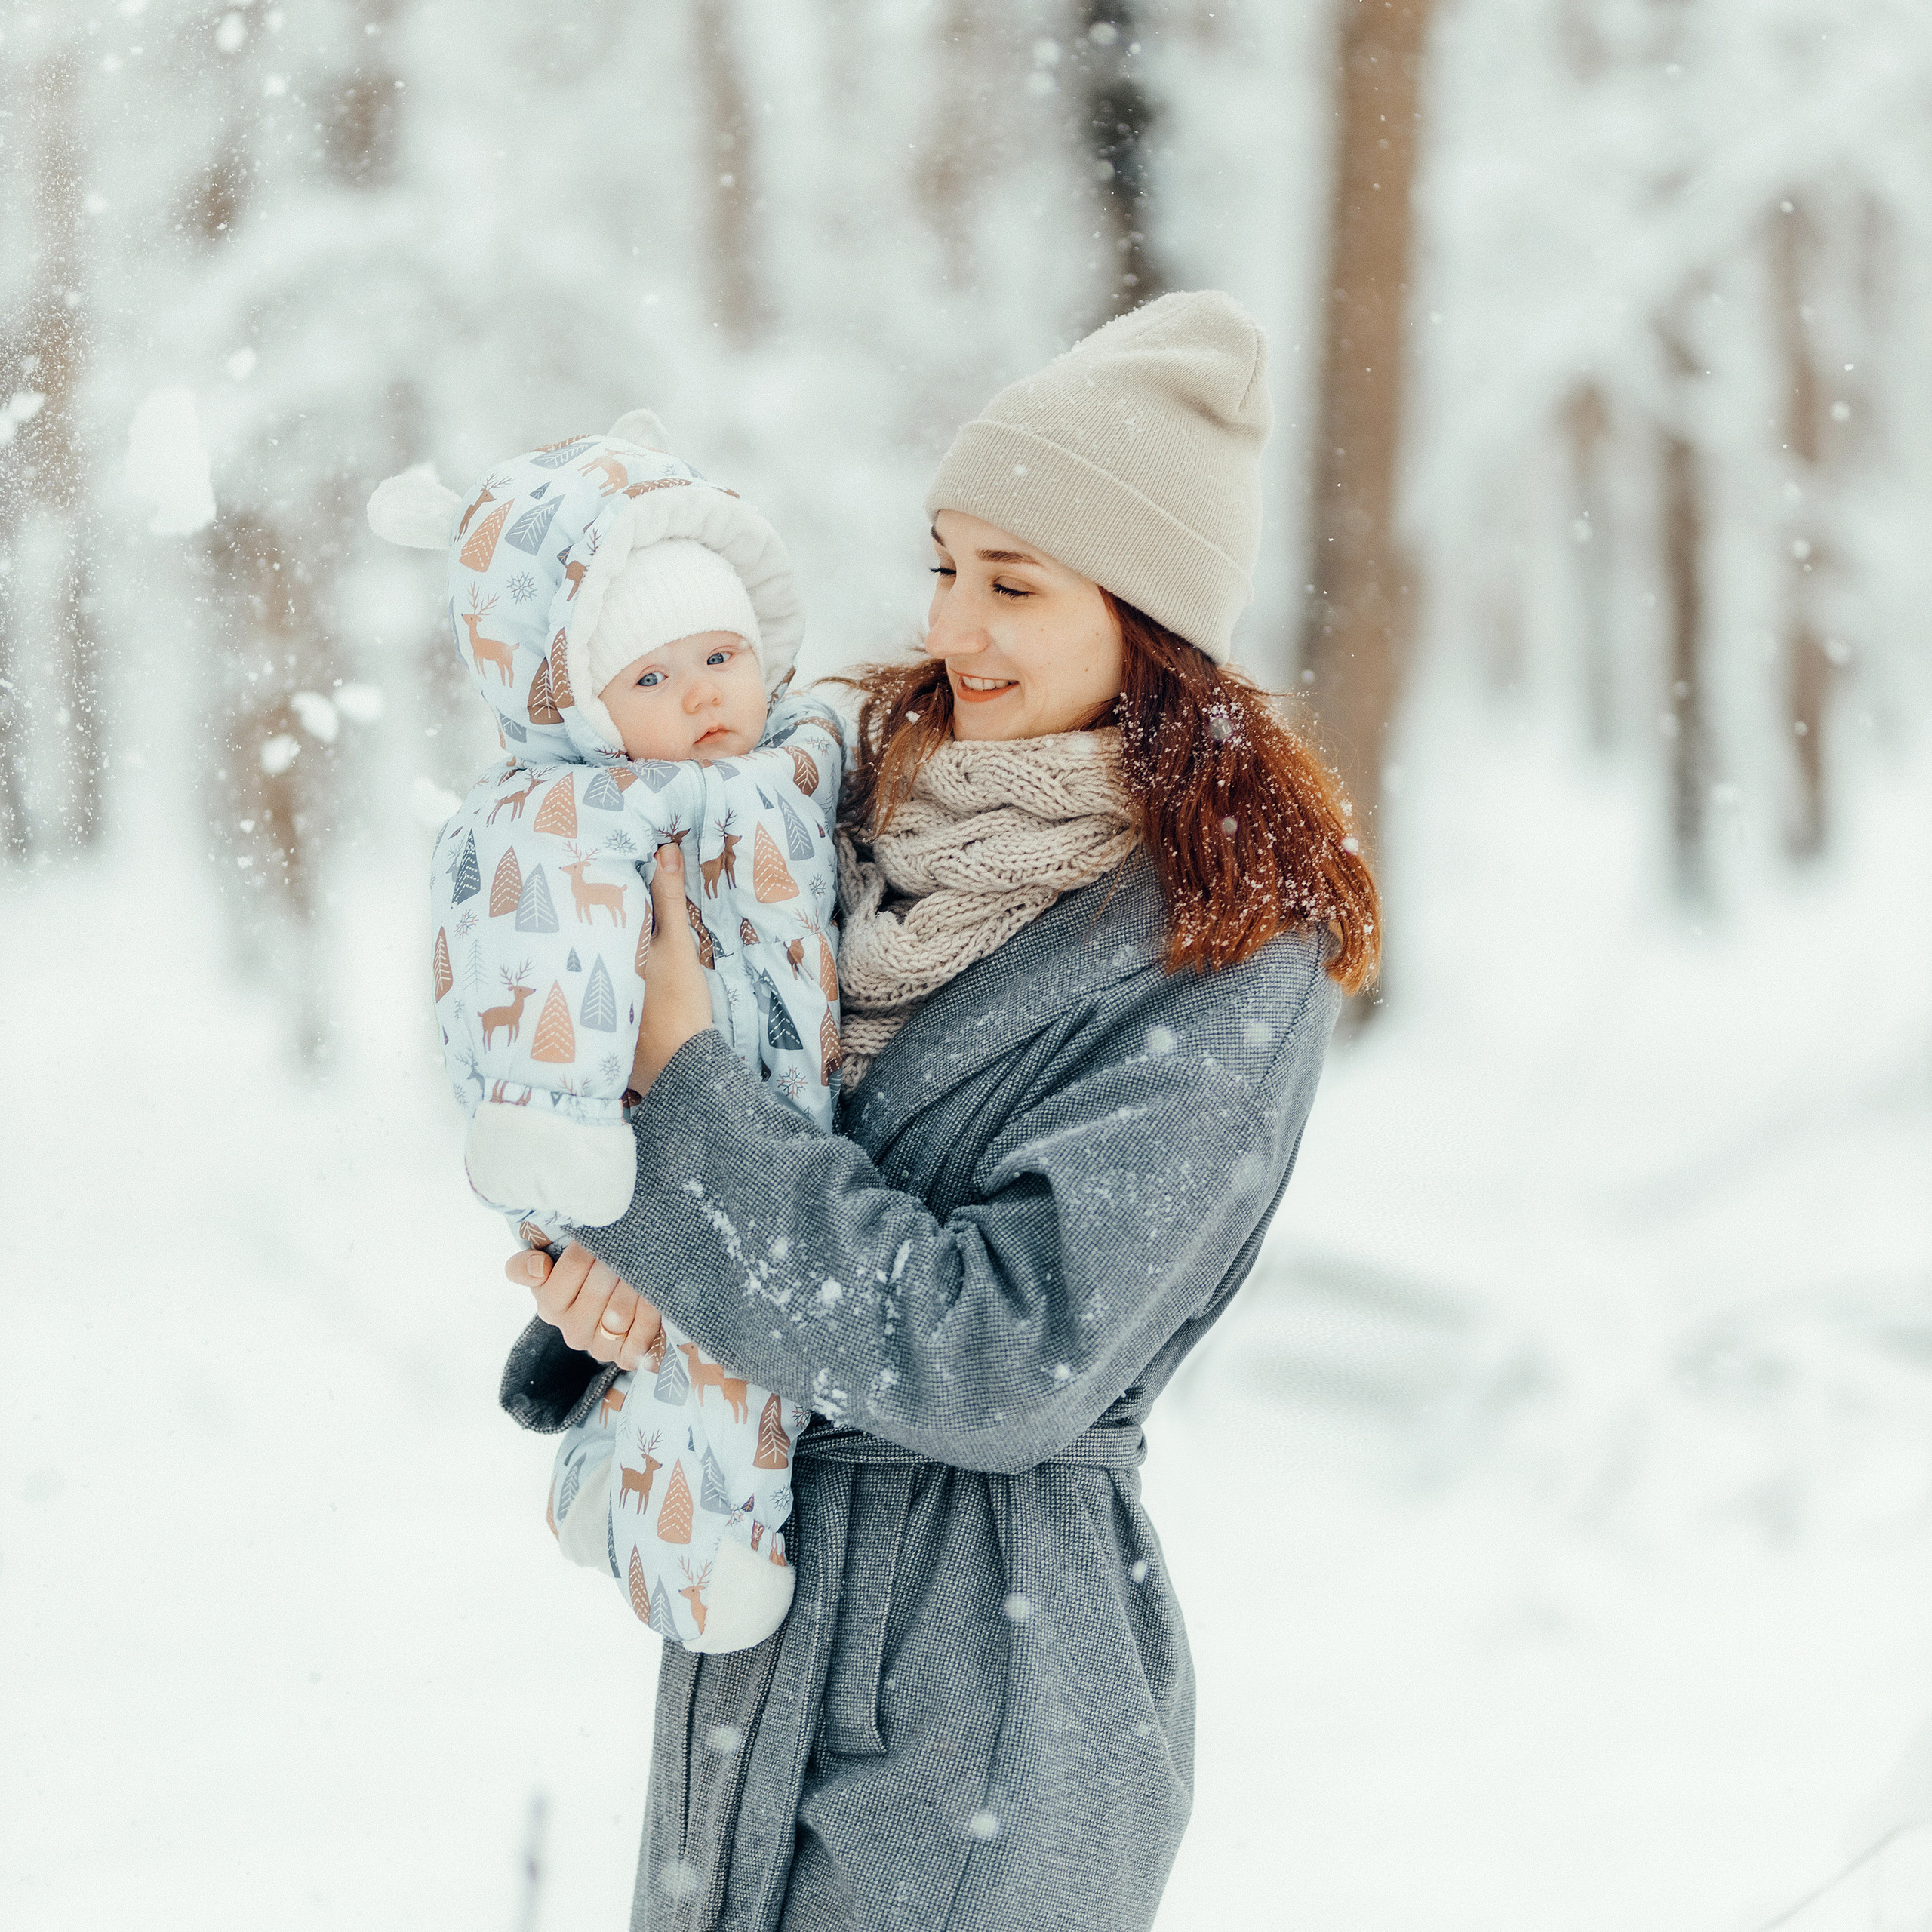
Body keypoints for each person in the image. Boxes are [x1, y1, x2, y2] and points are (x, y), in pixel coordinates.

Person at [501, 291, 1380, 1931]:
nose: (955, 624)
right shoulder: (830, 818)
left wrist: (685, 1117)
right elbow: (752, 1173)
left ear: (1148, 615)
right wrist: (620, 1288)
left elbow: (1010, 1351)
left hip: (992, 1664)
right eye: (944, 563)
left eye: (1015, 582)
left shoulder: (1223, 944)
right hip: (755, 1635)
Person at [370, 416, 843, 1651]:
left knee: (714, 1368)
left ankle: (610, 1482)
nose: (701, 696)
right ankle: (688, 1566)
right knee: (713, 1374)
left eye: (723, 654)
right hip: (637, 1147)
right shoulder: (571, 816)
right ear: (577, 703)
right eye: (648, 678)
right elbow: (547, 958)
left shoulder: (802, 766)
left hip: (768, 1147)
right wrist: (564, 1123)